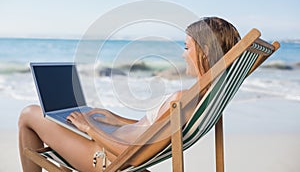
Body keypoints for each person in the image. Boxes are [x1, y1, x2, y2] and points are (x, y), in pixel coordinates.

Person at [18, 17, 241, 172]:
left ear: (206, 51)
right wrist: (115, 120)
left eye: (187, 47)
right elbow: (150, 132)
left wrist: (91, 128)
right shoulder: (199, 97)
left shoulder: (185, 99)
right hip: (109, 145)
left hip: (103, 158)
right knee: (64, 119)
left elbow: (136, 155)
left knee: (28, 114)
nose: (183, 55)